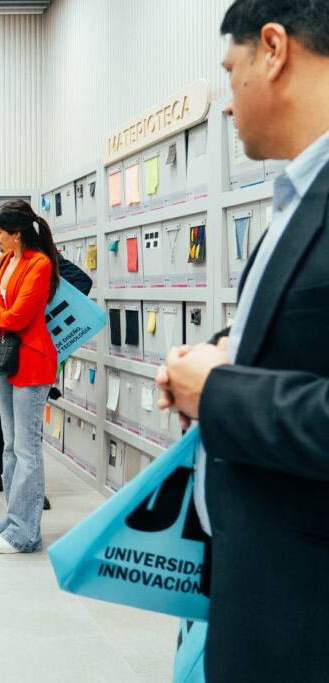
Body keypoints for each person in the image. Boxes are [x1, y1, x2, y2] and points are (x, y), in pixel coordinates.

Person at [158, 2, 329, 678]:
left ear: (274, 49)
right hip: (254, 589)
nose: (227, 105)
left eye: (231, 73)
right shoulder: (298, 195)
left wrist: (221, 391)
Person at [0, 242, 92, 508]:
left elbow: (81, 281)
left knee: (25, 425)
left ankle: (32, 489)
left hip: (22, 345)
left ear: (15, 233)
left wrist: (39, 312)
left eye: (1, 231)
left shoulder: (40, 258)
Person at [0, 200, 60, 554]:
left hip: (32, 361)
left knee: (27, 449)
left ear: (17, 234)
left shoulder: (39, 264)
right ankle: (12, 518)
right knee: (10, 446)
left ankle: (26, 532)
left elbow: (18, 317)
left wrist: (0, 312)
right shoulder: (6, 261)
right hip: (6, 359)